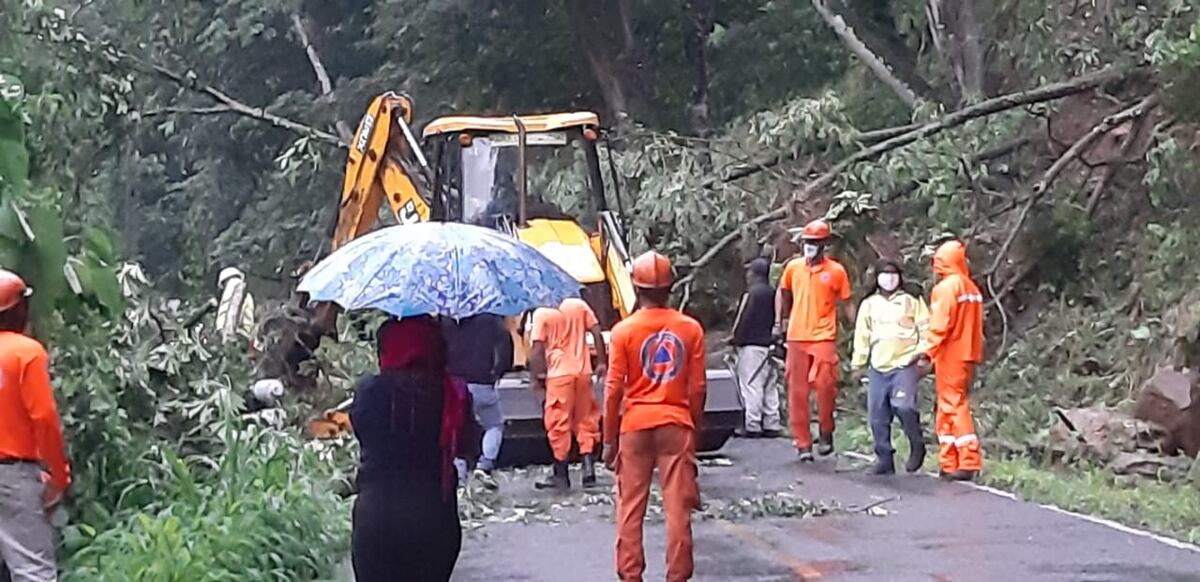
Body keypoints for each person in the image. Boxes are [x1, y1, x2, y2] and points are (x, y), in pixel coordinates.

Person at [349, 317, 481, 582]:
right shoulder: (452, 393)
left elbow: (363, 431)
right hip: (434, 515)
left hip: (376, 515)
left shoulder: (370, 391)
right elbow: (469, 448)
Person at [603, 251, 705, 582]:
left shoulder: (623, 331)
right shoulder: (690, 329)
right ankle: (678, 574)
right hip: (676, 424)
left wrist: (609, 439)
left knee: (630, 507)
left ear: (636, 287)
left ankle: (630, 574)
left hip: (634, 427)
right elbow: (698, 388)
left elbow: (613, 390)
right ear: (670, 288)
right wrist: (694, 428)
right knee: (678, 508)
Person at [0, 269, 70, 582]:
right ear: (20, 309)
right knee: (33, 572)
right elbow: (44, 418)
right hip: (12, 475)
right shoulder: (26, 353)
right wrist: (58, 476)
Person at [775, 219, 854, 461]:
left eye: (815, 242)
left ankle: (826, 429)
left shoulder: (836, 271)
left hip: (823, 337)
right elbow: (783, 292)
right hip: (796, 336)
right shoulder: (793, 268)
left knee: (825, 385)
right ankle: (803, 443)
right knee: (797, 392)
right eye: (807, 242)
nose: (810, 246)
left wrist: (858, 331)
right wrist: (779, 322)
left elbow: (847, 302)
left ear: (824, 245)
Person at [851, 259, 930, 475]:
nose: (889, 278)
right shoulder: (869, 304)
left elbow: (926, 329)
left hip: (905, 363)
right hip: (878, 366)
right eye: (885, 273)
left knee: (904, 406)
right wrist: (858, 364)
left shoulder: (911, 300)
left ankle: (917, 445)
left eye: (893, 273)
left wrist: (923, 355)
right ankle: (884, 458)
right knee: (877, 415)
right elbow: (862, 336)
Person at [922, 240, 985, 481]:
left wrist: (926, 352)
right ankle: (949, 461)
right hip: (967, 353)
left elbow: (940, 324)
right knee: (947, 405)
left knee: (953, 404)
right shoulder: (971, 288)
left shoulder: (947, 288)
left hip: (951, 354)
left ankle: (967, 460)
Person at [529, 297, 607, 490]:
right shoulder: (578, 305)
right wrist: (601, 361)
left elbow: (537, 348)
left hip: (559, 375)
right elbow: (597, 331)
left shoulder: (542, 313)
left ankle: (561, 473)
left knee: (558, 422)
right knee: (586, 418)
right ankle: (588, 468)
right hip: (583, 372)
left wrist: (536, 377)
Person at [443, 314, 513, 490]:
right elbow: (505, 348)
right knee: (494, 424)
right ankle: (485, 465)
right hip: (482, 382)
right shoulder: (490, 319)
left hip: (453, 386)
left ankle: (459, 475)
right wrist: (497, 372)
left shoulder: (445, 321)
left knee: (456, 429)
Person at [729, 258, 780, 438]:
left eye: (749, 272)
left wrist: (735, 339)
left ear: (755, 274)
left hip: (752, 346)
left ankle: (753, 424)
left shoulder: (751, 294)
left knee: (751, 384)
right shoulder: (775, 294)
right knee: (770, 385)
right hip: (771, 346)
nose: (747, 275)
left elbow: (743, 319)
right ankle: (772, 423)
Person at [215, 266, 255, 347]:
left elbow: (229, 310)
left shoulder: (234, 286)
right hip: (242, 334)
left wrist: (226, 331)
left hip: (235, 333)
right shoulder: (246, 295)